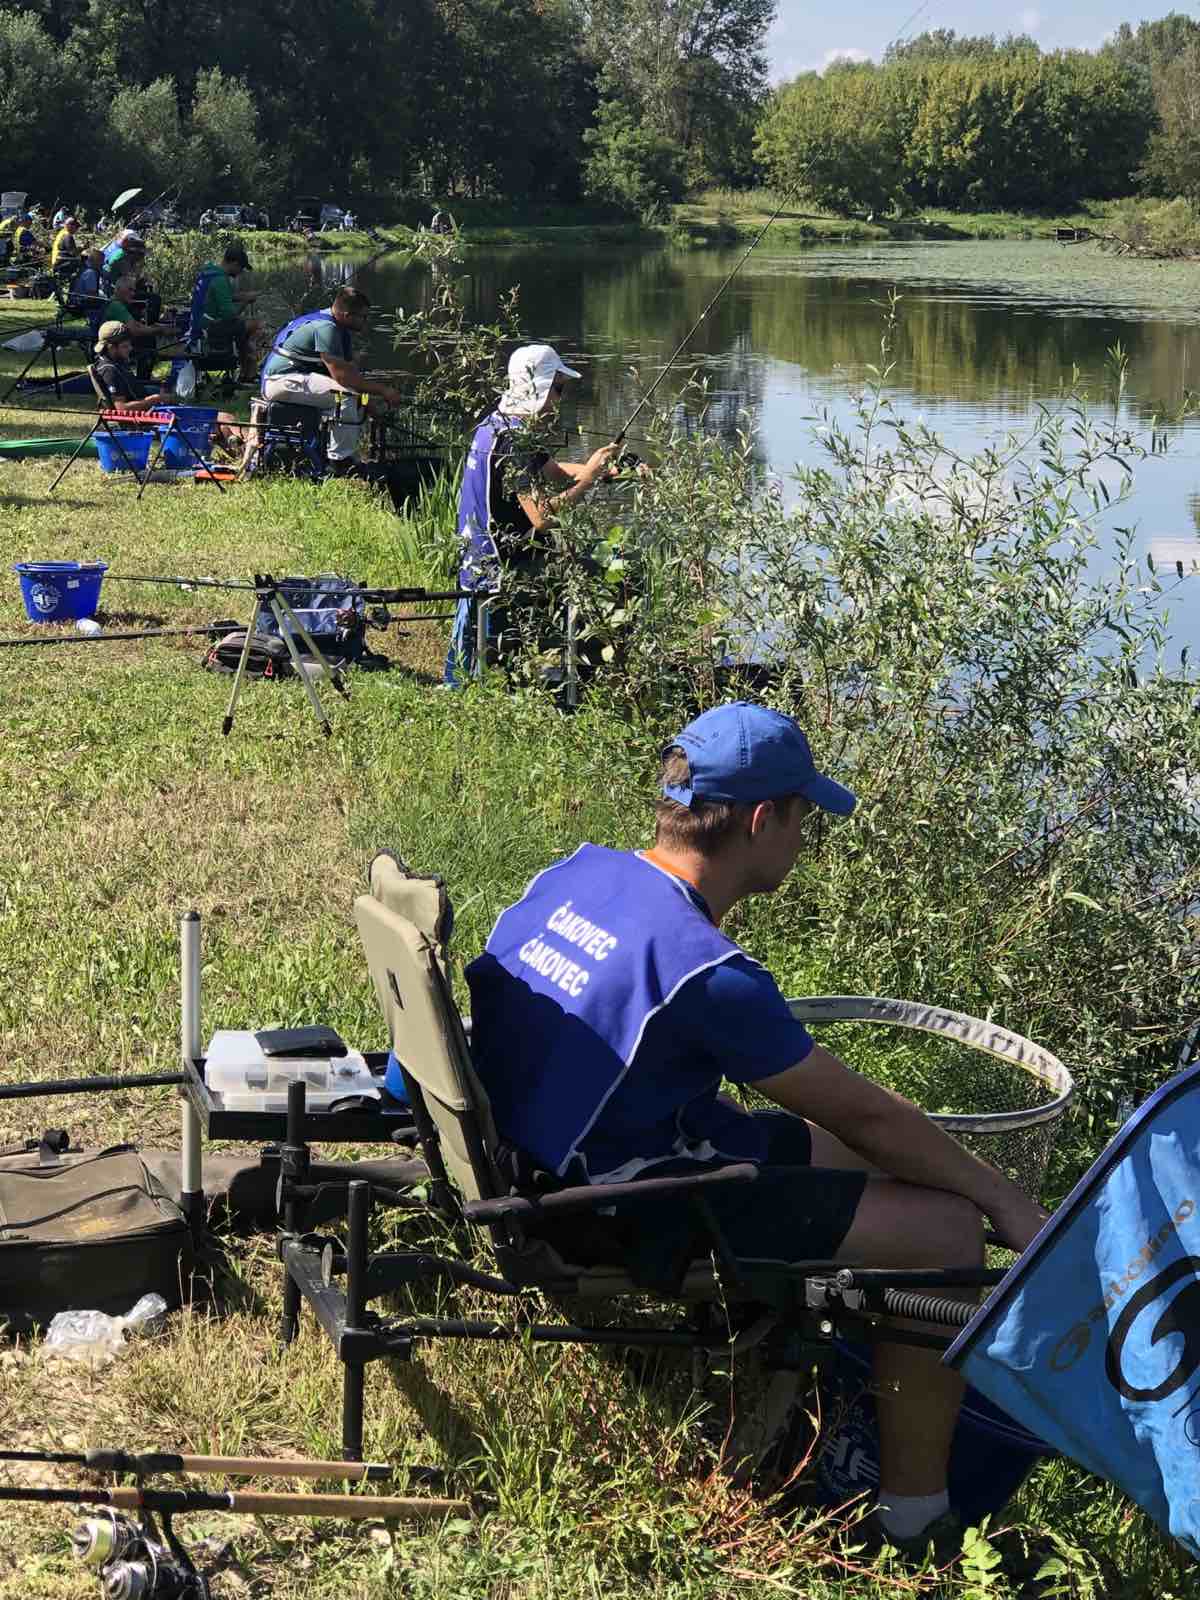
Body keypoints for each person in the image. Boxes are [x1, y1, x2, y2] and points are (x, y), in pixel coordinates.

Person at [459, 701, 1050, 1558]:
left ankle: (860, 1368)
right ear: (765, 820)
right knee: (948, 1231)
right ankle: (916, 1518)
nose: (804, 841)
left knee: (860, 1160)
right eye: (803, 817)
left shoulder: (579, 875)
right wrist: (1006, 1205)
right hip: (619, 1205)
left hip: (553, 1150)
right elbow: (861, 1109)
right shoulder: (707, 971)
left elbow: (857, 1132)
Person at [444, 342, 616, 685]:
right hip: (500, 566)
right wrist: (589, 481)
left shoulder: (498, 423)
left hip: (476, 555)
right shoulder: (514, 443)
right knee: (606, 569)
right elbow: (542, 518)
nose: (559, 399)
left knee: (473, 652)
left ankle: (468, 683)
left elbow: (552, 471)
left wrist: (598, 470)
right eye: (558, 388)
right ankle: (583, 678)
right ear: (539, 385)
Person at [259, 286, 401, 463]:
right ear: (346, 315)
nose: (365, 322)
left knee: (354, 397)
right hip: (281, 380)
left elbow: (350, 375)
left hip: (294, 379)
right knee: (346, 397)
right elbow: (343, 379)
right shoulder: (327, 328)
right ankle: (341, 461)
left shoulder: (338, 327)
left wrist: (368, 402)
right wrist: (383, 390)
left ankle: (339, 453)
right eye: (363, 317)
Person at [188, 242, 261, 383]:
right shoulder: (221, 280)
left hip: (199, 324)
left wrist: (244, 295)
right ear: (234, 263)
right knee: (256, 325)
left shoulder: (209, 272)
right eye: (240, 268)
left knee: (243, 327)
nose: (240, 272)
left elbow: (222, 297)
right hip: (210, 328)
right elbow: (230, 315)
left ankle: (246, 373)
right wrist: (246, 302)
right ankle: (249, 371)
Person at [103, 271, 175, 379]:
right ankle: (143, 381)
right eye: (129, 290)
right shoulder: (116, 306)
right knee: (148, 343)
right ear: (118, 289)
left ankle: (143, 379)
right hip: (114, 345)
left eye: (134, 290)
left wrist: (158, 327)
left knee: (148, 337)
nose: (133, 294)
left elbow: (136, 325)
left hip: (118, 340)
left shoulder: (119, 304)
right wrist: (159, 330)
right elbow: (135, 330)